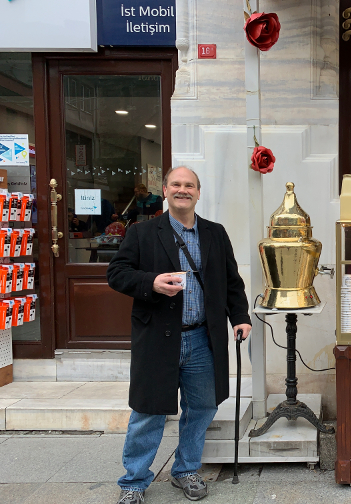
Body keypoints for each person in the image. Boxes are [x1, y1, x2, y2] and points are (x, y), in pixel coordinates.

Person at [107, 166, 252, 504]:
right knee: (148, 411)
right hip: (158, 337)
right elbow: (117, 274)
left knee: (202, 407)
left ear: (198, 193)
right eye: (176, 184)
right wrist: (151, 282)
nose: (182, 190)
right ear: (165, 190)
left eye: (189, 185)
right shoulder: (142, 233)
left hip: (204, 338)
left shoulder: (215, 233)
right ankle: (134, 482)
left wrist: (240, 317)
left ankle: (185, 470)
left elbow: (231, 282)